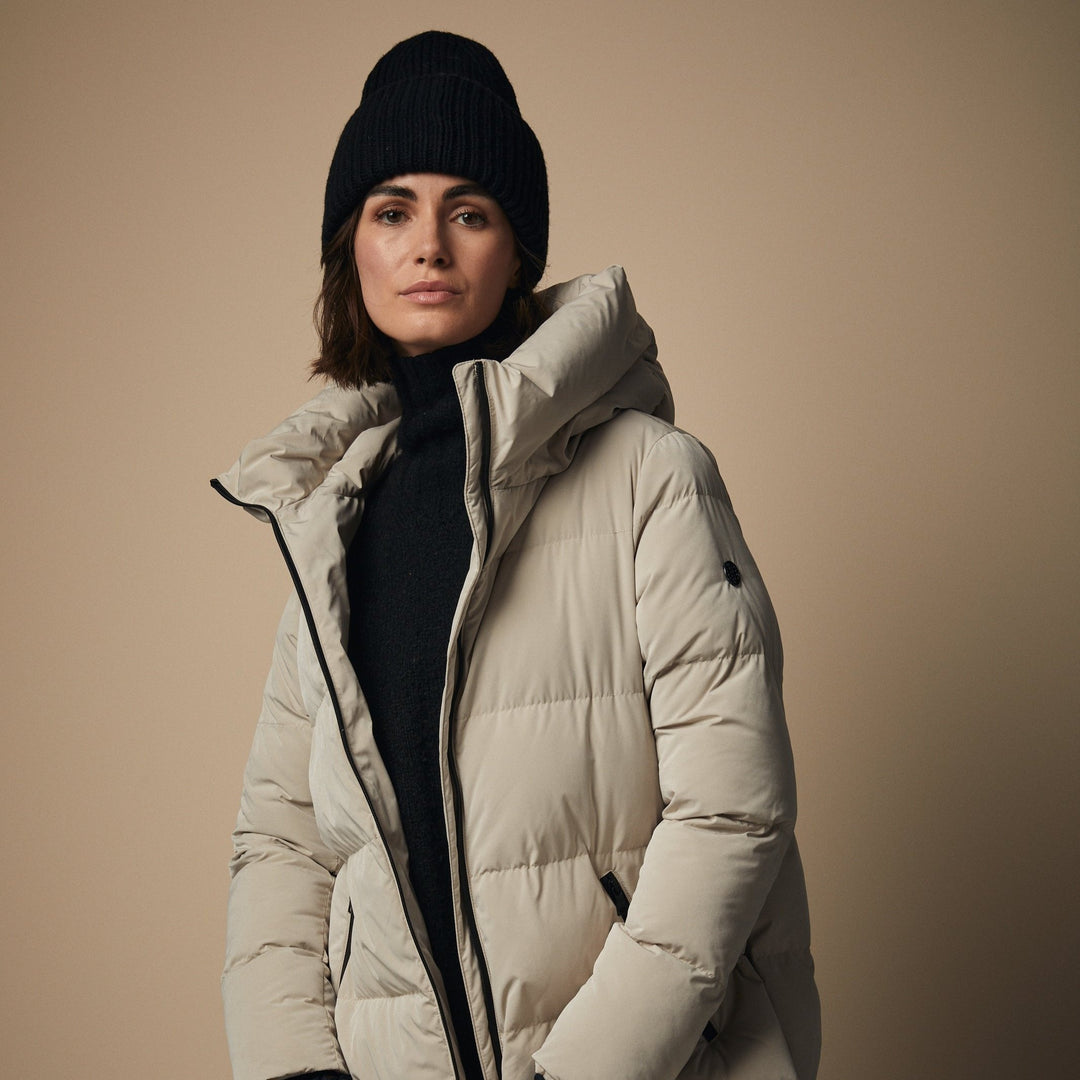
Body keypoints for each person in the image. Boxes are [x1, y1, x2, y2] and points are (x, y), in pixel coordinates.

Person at [213, 30, 820, 1080]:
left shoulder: (651, 478)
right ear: (351, 251)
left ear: (518, 253)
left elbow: (732, 809)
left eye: (470, 212)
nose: (428, 246)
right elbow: (282, 842)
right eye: (391, 211)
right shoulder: (330, 526)